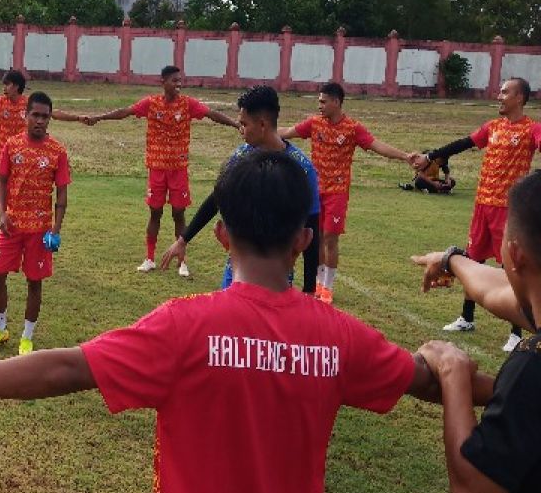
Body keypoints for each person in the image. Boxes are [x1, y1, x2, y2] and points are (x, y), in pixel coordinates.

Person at [0, 150, 465, 493]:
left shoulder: (183, 327)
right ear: (303, 240)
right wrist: (472, 371)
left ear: (221, 236)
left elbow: (67, 367)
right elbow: (428, 380)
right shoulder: (339, 336)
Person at [410, 170, 541, 493]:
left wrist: (451, 372)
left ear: (514, 252)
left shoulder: (531, 367)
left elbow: (474, 488)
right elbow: (498, 291)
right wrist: (451, 259)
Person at [413, 77, 541, 350]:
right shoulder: (492, 127)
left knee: (510, 267)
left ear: (520, 98)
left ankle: (516, 332)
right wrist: (432, 156)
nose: (499, 96)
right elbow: (463, 143)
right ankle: (467, 317)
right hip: (482, 205)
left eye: (505, 92)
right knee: (473, 258)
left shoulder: (532, 129)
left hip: (506, 211)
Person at [158, 85, 322, 295]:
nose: (240, 129)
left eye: (244, 123)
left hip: (277, 277)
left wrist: (309, 291)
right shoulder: (240, 158)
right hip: (237, 273)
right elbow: (217, 198)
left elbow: (312, 229)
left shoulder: (302, 169)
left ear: (262, 124)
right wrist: (183, 240)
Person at [84, 65, 238, 277]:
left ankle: (182, 262)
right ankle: (149, 258)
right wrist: (99, 118)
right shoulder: (151, 103)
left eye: (180, 81)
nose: (179, 85)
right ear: (163, 82)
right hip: (156, 169)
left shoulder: (187, 104)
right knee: (155, 212)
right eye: (174, 81)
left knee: (178, 214)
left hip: (178, 169)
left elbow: (212, 114)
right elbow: (125, 112)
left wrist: (236, 124)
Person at [279, 82, 419, 304]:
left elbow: (376, 145)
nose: (320, 106)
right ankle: (317, 283)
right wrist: (262, 131)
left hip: (337, 191)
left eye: (323, 102)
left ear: (336, 102)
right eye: (319, 102)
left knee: (330, 239)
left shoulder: (353, 128)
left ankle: (328, 287)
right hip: (314, 192)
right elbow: (287, 132)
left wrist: (404, 156)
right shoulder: (314, 123)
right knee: (315, 239)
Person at [0, 91, 70, 356]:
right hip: (12, 226)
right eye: (36, 115)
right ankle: (0, 329)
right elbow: (3, 181)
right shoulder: (12, 145)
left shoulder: (57, 151)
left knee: (35, 282)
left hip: (40, 229)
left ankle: (27, 337)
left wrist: (56, 228)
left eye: (45, 116)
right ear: (26, 115)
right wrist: (3, 213)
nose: (40, 121)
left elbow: (62, 194)